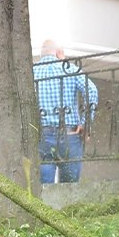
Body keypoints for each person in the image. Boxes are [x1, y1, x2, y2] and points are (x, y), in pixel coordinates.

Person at [33, 39, 97, 184]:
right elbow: (91, 90)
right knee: (69, 188)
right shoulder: (69, 69)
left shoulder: (32, 72)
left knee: (44, 186)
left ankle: (45, 206)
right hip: (70, 135)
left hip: (42, 136)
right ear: (59, 52)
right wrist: (85, 123)